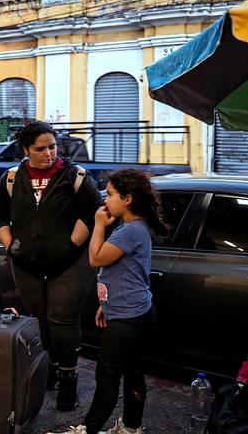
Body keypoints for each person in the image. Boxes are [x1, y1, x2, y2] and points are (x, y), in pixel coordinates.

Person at [0, 120, 102, 411]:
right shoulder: (12, 178)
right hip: (27, 263)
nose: (48, 153)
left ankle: (68, 378)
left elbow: (91, 214)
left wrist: (70, 247)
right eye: (40, 149)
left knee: (63, 318)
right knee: (40, 319)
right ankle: (47, 368)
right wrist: (11, 245)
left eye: (52, 146)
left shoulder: (76, 175)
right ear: (26, 150)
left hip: (71, 263)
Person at [48, 169, 166, 434]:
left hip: (128, 319)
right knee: (133, 371)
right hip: (135, 311)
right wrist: (106, 303)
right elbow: (123, 273)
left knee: (107, 377)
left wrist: (99, 224)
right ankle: (131, 428)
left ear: (127, 198)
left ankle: (87, 430)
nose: (105, 199)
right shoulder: (134, 228)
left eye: (110, 194)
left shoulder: (129, 231)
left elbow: (96, 259)